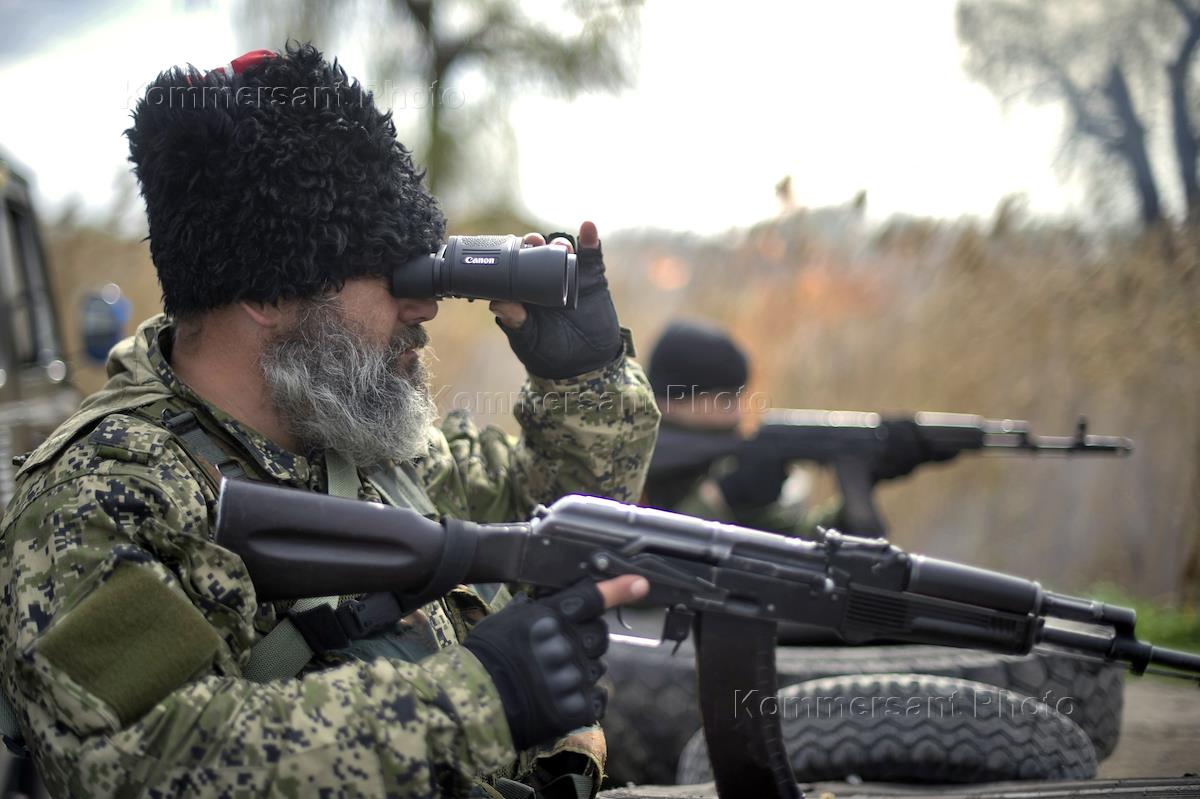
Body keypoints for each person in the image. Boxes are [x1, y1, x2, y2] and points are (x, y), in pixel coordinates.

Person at [0, 43, 660, 798]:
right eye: (392, 271)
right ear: (270, 294)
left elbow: (563, 515)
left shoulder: (364, 443)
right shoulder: (103, 493)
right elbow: (145, 762)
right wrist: (478, 695)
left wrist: (584, 375)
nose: (425, 304)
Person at [642, 320, 821, 535]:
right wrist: (718, 499)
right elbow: (647, 551)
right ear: (672, 401)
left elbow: (798, 542)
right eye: (724, 399)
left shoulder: (719, 462)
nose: (738, 413)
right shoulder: (625, 464)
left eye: (738, 397)